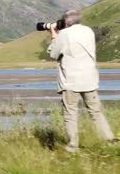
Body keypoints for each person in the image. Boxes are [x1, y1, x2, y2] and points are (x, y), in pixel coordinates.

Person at [47, 9, 115, 153]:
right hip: (89, 78)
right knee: (96, 112)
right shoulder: (88, 31)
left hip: (70, 81)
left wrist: (54, 35)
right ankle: (109, 140)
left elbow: (53, 54)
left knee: (70, 113)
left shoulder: (64, 34)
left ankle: (73, 146)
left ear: (66, 21)